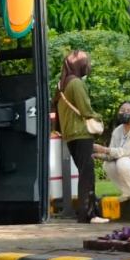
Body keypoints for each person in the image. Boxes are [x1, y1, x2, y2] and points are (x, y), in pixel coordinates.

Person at [54, 50, 108, 224]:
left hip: (70, 135)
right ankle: (88, 215)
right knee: (87, 174)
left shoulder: (61, 84)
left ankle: (93, 213)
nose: (88, 65)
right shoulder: (76, 83)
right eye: (86, 62)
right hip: (81, 133)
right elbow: (85, 110)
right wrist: (99, 117)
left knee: (85, 173)